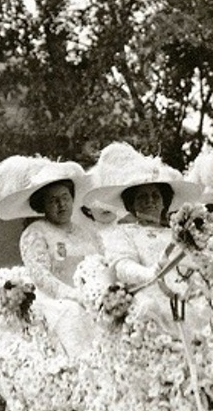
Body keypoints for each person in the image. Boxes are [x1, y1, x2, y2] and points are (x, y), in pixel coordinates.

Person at [0, 154, 103, 358]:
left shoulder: (87, 232)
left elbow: (102, 265)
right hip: (55, 302)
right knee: (74, 313)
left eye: (65, 197)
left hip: (90, 295)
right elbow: (42, 277)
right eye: (53, 201)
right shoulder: (36, 233)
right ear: (42, 205)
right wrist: (75, 296)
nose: (61, 205)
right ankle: (83, 366)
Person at [81, 142, 204, 332]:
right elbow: (122, 266)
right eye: (142, 197)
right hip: (149, 299)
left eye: (155, 196)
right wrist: (149, 273)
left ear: (164, 201)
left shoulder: (177, 232)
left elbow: (193, 265)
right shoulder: (123, 232)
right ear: (131, 204)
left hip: (188, 299)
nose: (150, 201)